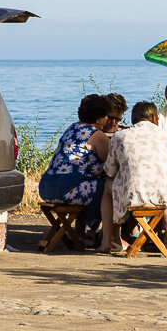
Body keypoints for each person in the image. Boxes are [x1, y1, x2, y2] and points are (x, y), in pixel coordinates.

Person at [98, 101, 167, 253]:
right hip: (165, 196)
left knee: (108, 186)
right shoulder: (166, 137)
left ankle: (108, 241)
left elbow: (109, 171)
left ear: (133, 119)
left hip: (134, 194)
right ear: (154, 117)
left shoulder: (119, 136)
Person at [37, 94, 113, 230]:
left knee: (88, 183)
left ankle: (80, 232)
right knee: (110, 188)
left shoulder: (71, 128)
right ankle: (108, 234)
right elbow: (112, 164)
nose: (107, 119)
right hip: (67, 190)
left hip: (46, 187)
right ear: (98, 118)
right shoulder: (97, 135)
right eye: (106, 116)